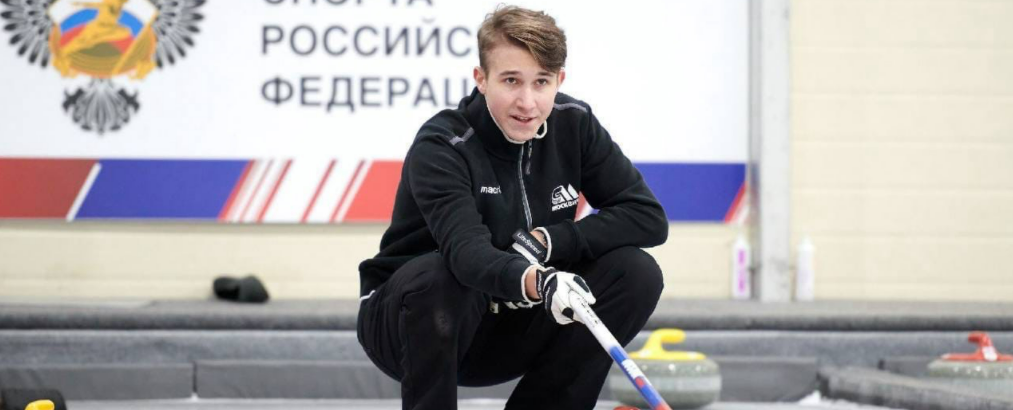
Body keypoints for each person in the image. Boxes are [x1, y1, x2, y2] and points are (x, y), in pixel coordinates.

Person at [357, 5, 668, 410]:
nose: (527, 102)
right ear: (481, 79)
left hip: (507, 322)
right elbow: (466, 253)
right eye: (511, 80)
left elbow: (647, 217)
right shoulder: (443, 144)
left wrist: (551, 241)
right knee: (440, 276)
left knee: (636, 272)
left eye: (541, 82)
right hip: (413, 324)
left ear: (559, 80)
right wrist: (540, 280)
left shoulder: (574, 124)